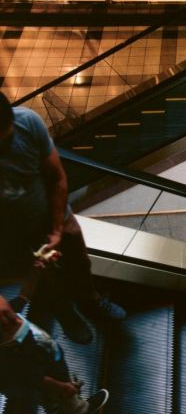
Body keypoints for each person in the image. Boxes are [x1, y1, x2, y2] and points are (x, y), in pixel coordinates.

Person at [0, 92, 126, 345]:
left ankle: (90, 301)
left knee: (79, 262)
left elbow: (57, 178)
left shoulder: (27, 123)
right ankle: (68, 317)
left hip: (54, 217)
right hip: (11, 237)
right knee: (42, 282)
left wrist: (57, 229)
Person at [0, 293, 109, 414]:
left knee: (55, 382)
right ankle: (77, 410)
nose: (18, 320)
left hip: (49, 362)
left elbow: (15, 303)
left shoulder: (7, 323)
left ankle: (60, 395)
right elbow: (33, 378)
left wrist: (25, 293)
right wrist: (61, 386)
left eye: (10, 313)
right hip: (46, 379)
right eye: (10, 323)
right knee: (53, 395)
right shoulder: (12, 359)